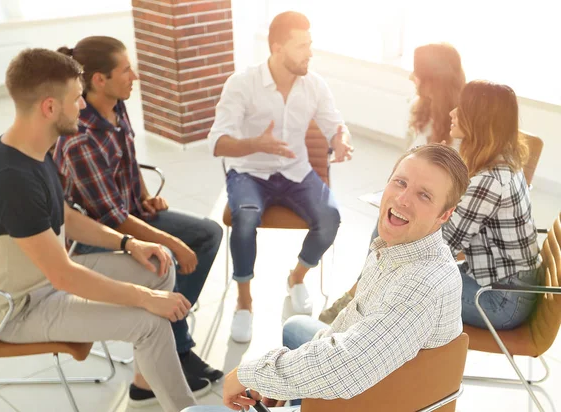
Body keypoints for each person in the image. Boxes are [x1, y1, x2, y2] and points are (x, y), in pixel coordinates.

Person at [0, 48, 195, 411]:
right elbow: (63, 275)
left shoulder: (35, 149)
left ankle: (145, 382)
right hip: (20, 308)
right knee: (148, 323)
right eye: (76, 99)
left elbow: (66, 218)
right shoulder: (10, 179)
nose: (82, 108)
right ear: (49, 108)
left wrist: (127, 242)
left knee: (158, 263)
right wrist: (144, 298)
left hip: (45, 283)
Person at [181, 143, 470, 412]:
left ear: (444, 215)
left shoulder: (422, 284)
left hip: (369, 402)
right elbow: (353, 321)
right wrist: (281, 381)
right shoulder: (397, 249)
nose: (403, 199)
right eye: (400, 182)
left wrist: (251, 374)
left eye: (424, 195)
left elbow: (349, 365)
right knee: (297, 328)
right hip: (386, 384)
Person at [53, 36, 224, 394]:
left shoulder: (115, 104)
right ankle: (170, 348)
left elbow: (128, 159)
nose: (135, 76)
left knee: (208, 234)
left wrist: (146, 195)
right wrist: (172, 242)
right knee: (169, 258)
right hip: (96, 239)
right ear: (99, 79)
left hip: (129, 214)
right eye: (126, 69)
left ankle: (168, 338)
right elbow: (111, 218)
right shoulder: (80, 138)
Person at [207, 11, 354, 344]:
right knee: (244, 218)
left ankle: (297, 277)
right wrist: (255, 144)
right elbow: (216, 142)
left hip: (295, 172)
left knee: (331, 218)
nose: (310, 52)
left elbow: (335, 124)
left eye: (310, 44)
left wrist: (341, 141)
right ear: (277, 47)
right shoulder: (242, 83)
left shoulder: (314, 85)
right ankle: (244, 301)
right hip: (250, 172)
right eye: (302, 45)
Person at [319, 42, 466, 323]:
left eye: (417, 72)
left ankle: (357, 295)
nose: (412, 77)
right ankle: (360, 293)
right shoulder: (420, 109)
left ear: (434, 77)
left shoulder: (459, 127)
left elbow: (453, 194)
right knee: (385, 222)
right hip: (418, 205)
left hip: (437, 218)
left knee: (387, 228)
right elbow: (406, 165)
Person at [444, 80, 540, 329]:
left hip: (500, 299)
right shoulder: (505, 158)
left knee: (404, 285)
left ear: (478, 119)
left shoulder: (489, 180)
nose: (452, 113)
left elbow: (444, 248)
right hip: (505, 285)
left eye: (461, 109)